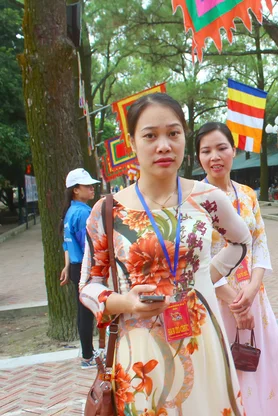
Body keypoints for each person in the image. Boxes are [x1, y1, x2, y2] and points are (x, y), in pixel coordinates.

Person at [79, 93, 252, 415]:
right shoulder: (107, 211)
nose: (163, 145)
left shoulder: (208, 198)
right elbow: (88, 285)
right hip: (140, 352)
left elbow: (241, 243)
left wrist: (200, 280)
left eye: (173, 133)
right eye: (150, 135)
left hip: (202, 341)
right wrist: (125, 302)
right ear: (132, 143)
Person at [195, 122, 278, 416]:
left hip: (254, 299)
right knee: (224, 370)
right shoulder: (193, 200)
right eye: (206, 151)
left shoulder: (248, 195)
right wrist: (233, 300)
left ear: (234, 151)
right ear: (198, 157)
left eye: (221, 148)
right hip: (216, 302)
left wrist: (251, 290)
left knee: (263, 364)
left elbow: (260, 245)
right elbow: (196, 261)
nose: (215, 156)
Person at [60, 168, 100, 369]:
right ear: (75, 190)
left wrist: (67, 266)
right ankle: (87, 356)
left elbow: (67, 243)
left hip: (76, 267)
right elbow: (89, 247)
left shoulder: (70, 211)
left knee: (84, 311)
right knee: (87, 312)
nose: (92, 189)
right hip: (86, 269)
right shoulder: (84, 212)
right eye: (87, 186)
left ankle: (89, 352)